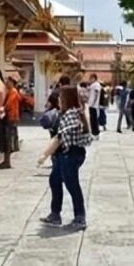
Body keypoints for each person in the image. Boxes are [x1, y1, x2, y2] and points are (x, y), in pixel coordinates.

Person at [38, 86, 92, 230]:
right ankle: (55, 214)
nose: (59, 101)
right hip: (64, 154)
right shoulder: (69, 113)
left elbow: (59, 138)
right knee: (54, 180)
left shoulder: (72, 115)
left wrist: (44, 155)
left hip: (71, 154)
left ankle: (80, 217)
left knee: (72, 185)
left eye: (61, 99)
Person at [0, 76, 21, 169]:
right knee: (6, 138)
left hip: (10, 117)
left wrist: (2, 109)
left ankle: (7, 161)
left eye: (7, 81)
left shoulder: (13, 92)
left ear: (12, 82)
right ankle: (6, 160)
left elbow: (8, 104)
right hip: (9, 117)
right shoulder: (10, 91)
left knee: (7, 139)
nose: (6, 83)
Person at [86, 74, 102, 138]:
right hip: (91, 104)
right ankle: (94, 132)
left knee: (94, 119)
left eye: (91, 78)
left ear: (94, 78)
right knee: (92, 119)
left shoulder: (96, 84)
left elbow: (96, 94)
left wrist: (94, 103)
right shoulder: (92, 85)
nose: (90, 80)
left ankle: (96, 133)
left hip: (93, 105)